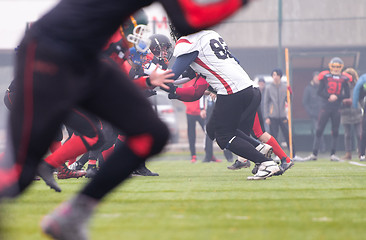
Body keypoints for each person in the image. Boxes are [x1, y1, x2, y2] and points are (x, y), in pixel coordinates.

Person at [0, 0, 253, 239]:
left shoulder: (120, 38)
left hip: (90, 58)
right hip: (51, 49)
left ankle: (73, 214)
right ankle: (45, 170)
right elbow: (191, 18)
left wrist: (147, 80)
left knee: (150, 133)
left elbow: (126, 63)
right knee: (20, 173)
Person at [167, 28, 280, 180]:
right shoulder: (210, 35)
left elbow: (172, 75)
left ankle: (266, 163)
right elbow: (234, 61)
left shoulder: (189, 43)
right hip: (249, 87)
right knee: (212, 128)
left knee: (224, 137)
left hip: (233, 90)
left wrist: (154, 79)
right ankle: (260, 148)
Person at [303, 57, 350, 161]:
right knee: (319, 129)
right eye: (334, 66)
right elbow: (319, 92)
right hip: (326, 106)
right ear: (330, 66)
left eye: (338, 67)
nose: (336, 69)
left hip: (336, 107)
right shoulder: (325, 77)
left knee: (335, 130)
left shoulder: (344, 79)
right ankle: (314, 153)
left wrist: (337, 97)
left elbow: (347, 94)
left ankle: (333, 154)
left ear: (341, 67)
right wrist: (329, 96)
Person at [263, 68, 300, 160]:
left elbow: (289, 100)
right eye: (274, 75)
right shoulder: (268, 88)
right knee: (274, 137)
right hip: (273, 116)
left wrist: (290, 93)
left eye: (277, 75)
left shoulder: (285, 87)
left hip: (283, 115)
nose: (275, 77)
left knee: (288, 135)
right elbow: (266, 103)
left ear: (280, 76)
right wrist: (267, 116)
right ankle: (276, 155)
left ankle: (293, 154)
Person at [200, 91, 234, 163]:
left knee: (224, 132)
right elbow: (201, 93)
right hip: (209, 107)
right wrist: (202, 108)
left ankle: (229, 155)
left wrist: (215, 92)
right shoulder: (205, 84)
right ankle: (208, 156)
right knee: (208, 132)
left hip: (220, 105)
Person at [340, 68, 362, 160]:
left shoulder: (359, 86)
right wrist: (343, 102)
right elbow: (338, 99)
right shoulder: (341, 87)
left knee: (359, 134)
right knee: (347, 135)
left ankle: (361, 153)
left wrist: (355, 103)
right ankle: (348, 153)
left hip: (357, 113)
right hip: (345, 113)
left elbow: (361, 99)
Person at [302, 71, 326, 153]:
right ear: (313, 78)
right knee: (317, 130)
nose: (317, 80)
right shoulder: (308, 89)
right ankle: (319, 148)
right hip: (314, 114)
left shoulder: (322, 88)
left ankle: (321, 148)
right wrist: (310, 112)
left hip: (322, 113)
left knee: (320, 130)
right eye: (316, 78)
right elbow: (305, 102)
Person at [352, 73, 366, 161]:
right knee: (364, 132)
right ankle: (362, 154)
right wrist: (356, 105)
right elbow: (358, 91)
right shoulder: (364, 79)